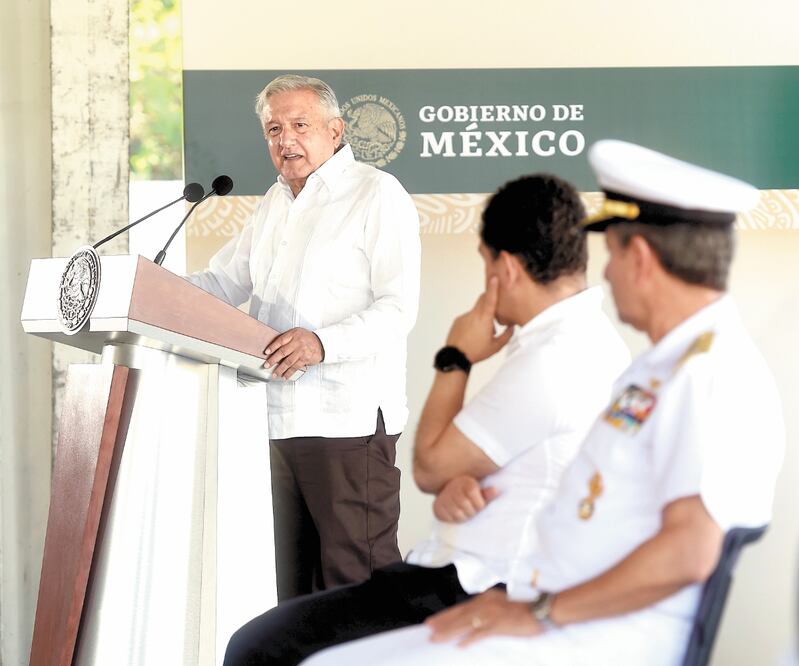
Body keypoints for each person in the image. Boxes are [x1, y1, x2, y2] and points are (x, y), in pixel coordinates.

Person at [301, 140, 785, 666]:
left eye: (615, 254)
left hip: (588, 635)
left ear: (641, 259)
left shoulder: (708, 374)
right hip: (554, 611)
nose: (606, 275)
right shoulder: (667, 364)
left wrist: (536, 612)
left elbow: (690, 552)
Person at [223, 174, 630, 664]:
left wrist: (454, 357)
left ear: (505, 267)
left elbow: (432, 467)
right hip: (475, 569)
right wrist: (463, 481)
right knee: (294, 614)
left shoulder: (553, 357)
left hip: (471, 584)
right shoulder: (595, 341)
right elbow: (521, 460)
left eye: (484, 263)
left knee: (256, 648)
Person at [186, 74, 421, 600]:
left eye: (300, 125)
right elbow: (224, 283)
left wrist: (321, 344)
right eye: (274, 128)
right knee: (292, 595)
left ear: (335, 131)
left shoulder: (376, 193)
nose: (285, 139)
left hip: (347, 421)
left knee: (360, 588)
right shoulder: (274, 201)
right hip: (273, 419)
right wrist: (152, 286)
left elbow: (399, 307)